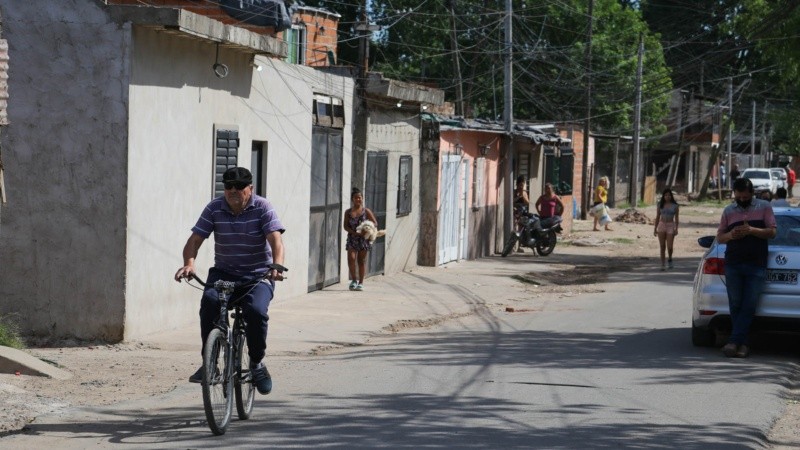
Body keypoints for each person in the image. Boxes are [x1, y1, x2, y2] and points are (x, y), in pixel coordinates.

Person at [174, 167, 285, 394]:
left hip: (257, 275)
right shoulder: (214, 208)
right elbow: (195, 240)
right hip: (224, 273)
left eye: (239, 187)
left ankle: (256, 363)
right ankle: (210, 364)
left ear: (250, 189)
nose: (233, 191)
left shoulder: (263, 207)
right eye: (228, 187)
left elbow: (276, 241)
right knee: (210, 303)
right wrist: (189, 263)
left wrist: (276, 265)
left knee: (255, 312)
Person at [716, 177, 776, 358]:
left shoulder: (764, 207)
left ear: (752, 193)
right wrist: (731, 235)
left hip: (756, 264)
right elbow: (720, 237)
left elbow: (772, 232)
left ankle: (734, 341)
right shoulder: (728, 211)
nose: (742, 199)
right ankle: (743, 344)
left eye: (745, 196)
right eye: (739, 196)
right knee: (735, 304)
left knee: (749, 304)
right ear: (734, 194)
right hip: (733, 263)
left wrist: (752, 230)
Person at [343, 187, 377, 291]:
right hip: (352, 238)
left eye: (360, 197)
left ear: (362, 199)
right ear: (352, 199)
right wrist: (355, 233)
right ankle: (353, 280)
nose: (358, 199)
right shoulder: (348, 212)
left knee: (361, 261)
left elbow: (375, 223)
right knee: (351, 259)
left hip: (363, 240)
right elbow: (345, 226)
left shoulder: (366, 211)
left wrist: (367, 230)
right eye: (356, 198)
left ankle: (361, 282)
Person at [653, 188, 679, 271]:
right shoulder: (660, 204)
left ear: (671, 196)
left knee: (670, 246)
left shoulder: (675, 206)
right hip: (662, 224)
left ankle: (670, 258)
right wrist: (655, 228)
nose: (667, 197)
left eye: (669, 195)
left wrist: (676, 228)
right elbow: (657, 217)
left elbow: (677, 218)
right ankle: (662, 264)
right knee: (662, 246)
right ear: (663, 196)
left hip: (670, 225)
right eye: (666, 195)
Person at [513, 176, 531, 251]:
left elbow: (527, 203)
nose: (521, 187)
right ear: (517, 184)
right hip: (515, 212)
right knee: (514, 229)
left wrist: (522, 196)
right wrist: (518, 197)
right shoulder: (514, 192)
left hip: (522, 213)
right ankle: (513, 246)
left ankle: (519, 246)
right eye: (520, 185)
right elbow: (512, 201)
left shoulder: (524, 193)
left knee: (521, 230)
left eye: (522, 185)